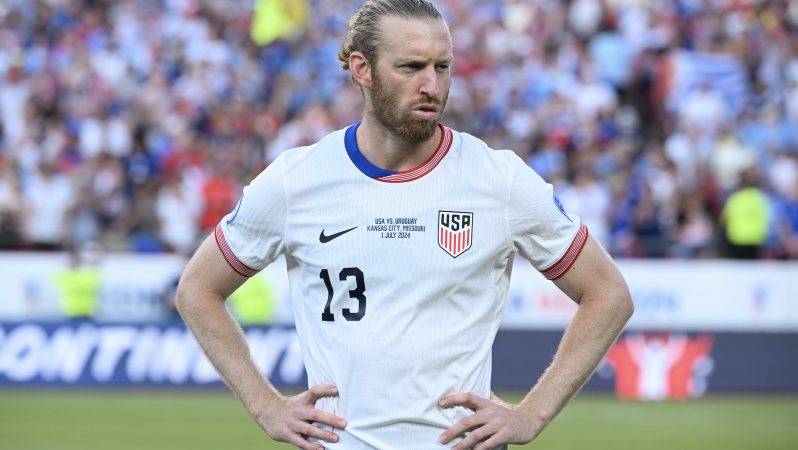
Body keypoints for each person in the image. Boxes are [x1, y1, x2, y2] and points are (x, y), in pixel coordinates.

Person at [176, 1, 634, 449]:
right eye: (412, 67)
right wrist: (266, 407)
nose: (431, 85)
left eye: (442, 66)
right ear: (362, 69)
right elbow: (197, 289)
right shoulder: (296, 179)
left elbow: (608, 294)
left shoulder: (500, 179)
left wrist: (531, 414)